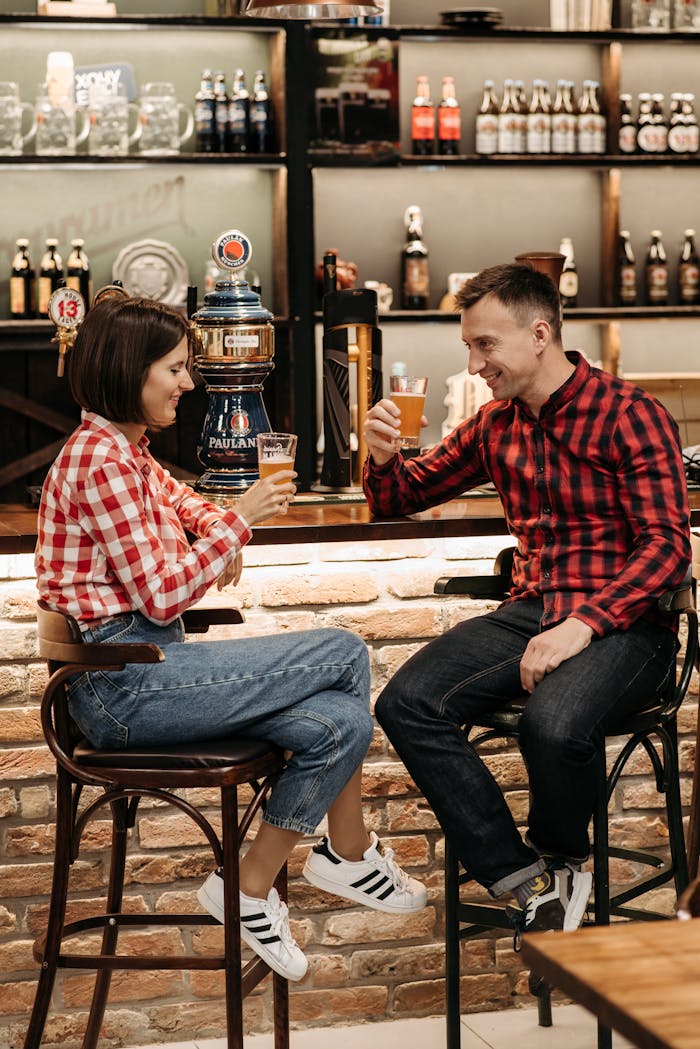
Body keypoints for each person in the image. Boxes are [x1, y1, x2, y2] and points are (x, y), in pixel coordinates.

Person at [35, 295, 427, 983]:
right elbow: (162, 595)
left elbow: (185, 504)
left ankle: (247, 886)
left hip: (149, 666)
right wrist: (240, 521)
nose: (187, 383)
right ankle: (345, 852)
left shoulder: (125, 450)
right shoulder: (99, 461)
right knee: (341, 651)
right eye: (175, 369)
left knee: (341, 722)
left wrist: (217, 527)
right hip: (122, 687)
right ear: (130, 370)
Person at [362, 263, 691, 943]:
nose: (474, 364)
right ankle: (526, 879)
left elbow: (667, 546)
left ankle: (565, 859)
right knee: (406, 702)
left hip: (631, 628)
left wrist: (583, 624)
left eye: (486, 345)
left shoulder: (630, 414)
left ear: (540, 334)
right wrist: (384, 457)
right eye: (469, 347)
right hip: (532, 611)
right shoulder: (496, 424)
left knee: (554, 722)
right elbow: (401, 496)